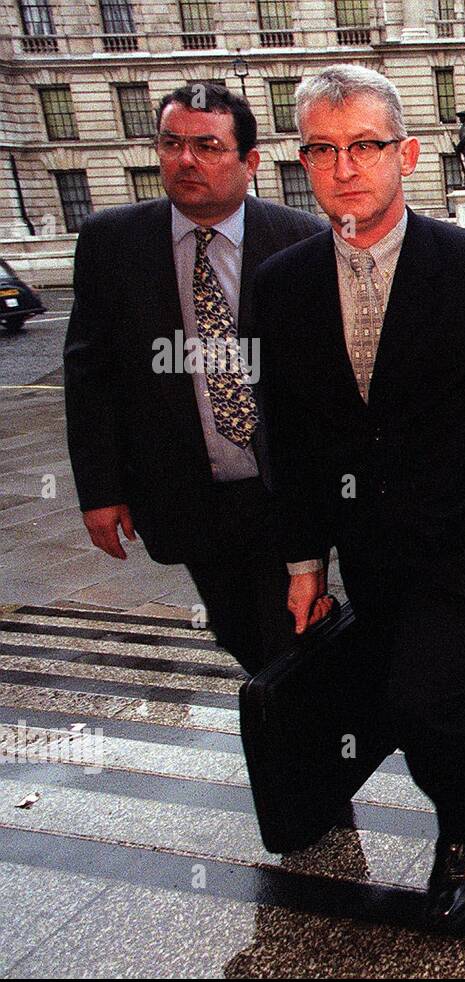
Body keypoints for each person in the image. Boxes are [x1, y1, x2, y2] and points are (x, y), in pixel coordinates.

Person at [253, 65, 465, 928]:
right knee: (420, 703)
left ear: (408, 153)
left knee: (421, 699)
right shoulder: (282, 284)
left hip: (462, 545)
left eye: (364, 146)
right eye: (323, 150)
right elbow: (283, 434)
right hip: (367, 552)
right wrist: (303, 561)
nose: (344, 168)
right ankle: (464, 786)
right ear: (303, 161)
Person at [63, 82, 325, 674]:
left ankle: (291, 752)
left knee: (293, 640)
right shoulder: (112, 242)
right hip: (189, 496)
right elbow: (89, 372)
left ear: (249, 162)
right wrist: (99, 489)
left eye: (207, 146)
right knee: (242, 637)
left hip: (285, 494)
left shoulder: (301, 239)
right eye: (171, 144)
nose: (185, 160)